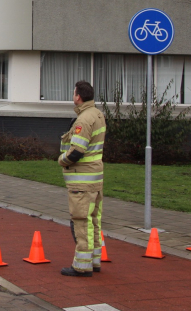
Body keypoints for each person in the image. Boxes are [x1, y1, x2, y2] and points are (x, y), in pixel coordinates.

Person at [58, 80, 106, 277]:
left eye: (73, 93)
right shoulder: (97, 114)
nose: (73, 96)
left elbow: (77, 151)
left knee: (81, 221)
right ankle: (94, 261)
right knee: (93, 220)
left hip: (82, 180)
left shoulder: (83, 120)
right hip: (95, 179)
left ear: (78, 96)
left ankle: (82, 266)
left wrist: (62, 160)